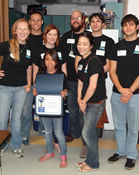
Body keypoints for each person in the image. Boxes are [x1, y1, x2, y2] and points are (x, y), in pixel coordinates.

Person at [108, 14, 139, 170]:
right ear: (122, 28)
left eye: (131, 24)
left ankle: (131, 155)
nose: (128, 27)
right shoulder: (116, 46)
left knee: (133, 127)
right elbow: (112, 71)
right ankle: (121, 152)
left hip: (135, 95)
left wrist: (130, 91)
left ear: (137, 26)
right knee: (119, 126)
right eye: (125, 25)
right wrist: (121, 90)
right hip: (117, 93)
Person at [0, 18, 32, 158]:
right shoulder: (6, 45)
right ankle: (1, 146)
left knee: (16, 119)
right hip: (4, 89)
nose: (23, 32)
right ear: (15, 30)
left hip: (21, 90)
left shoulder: (29, 48)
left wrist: (29, 83)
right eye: (20, 29)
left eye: (25, 29)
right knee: (2, 119)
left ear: (29, 31)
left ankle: (16, 146)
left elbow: (29, 68)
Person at [77, 12, 115, 159]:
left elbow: (109, 64)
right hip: (86, 89)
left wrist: (96, 72)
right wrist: (80, 99)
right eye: (92, 21)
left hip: (95, 90)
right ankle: (88, 150)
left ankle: (93, 158)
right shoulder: (82, 59)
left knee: (90, 128)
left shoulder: (106, 44)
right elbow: (80, 80)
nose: (95, 24)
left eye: (98, 21)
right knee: (86, 127)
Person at [76, 32, 106, 172]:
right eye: (79, 43)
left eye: (85, 44)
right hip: (86, 102)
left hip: (95, 103)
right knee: (90, 133)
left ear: (91, 46)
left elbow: (93, 86)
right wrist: (79, 99)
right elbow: (80, 83)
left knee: (87, 133)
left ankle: (94, 163)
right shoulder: (81, 61)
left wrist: (83, 101)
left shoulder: (94, 61)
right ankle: (90, 160)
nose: (81, 47)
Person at [34, 49, 68, 168]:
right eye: (47, 59)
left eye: (53, 60)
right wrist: (35, 92)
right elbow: (37, 89)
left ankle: (63, 155)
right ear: (44, 61)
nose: (50, 62)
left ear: (56, 62)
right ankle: (50, 152)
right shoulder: (40, 75)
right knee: (47, 131)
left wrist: (65, 93)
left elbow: (66, 89)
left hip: (56, 109)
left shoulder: (61, 75)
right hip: (44, 108)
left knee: (58, 132)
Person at [61, 10, 85, 144]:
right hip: (70, 79)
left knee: (86, 108)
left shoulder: (87, 37)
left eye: (78, 18)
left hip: (85, 80)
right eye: (72, 18)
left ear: (82, 20)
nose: (75, 20)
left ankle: (86, 134)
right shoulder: (65, 37)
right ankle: (75, 132)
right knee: (72, 107)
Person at [21, 11, 44, 145]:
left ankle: (43, 131)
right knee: (26, 110)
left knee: (44, 108)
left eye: (38, 20)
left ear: (42, 22)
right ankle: (25, 135)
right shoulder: (24, 38)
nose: (36, 23)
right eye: (33, 20)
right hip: (27, 80)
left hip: (44, 79)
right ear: (29, 22)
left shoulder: (47, 37)